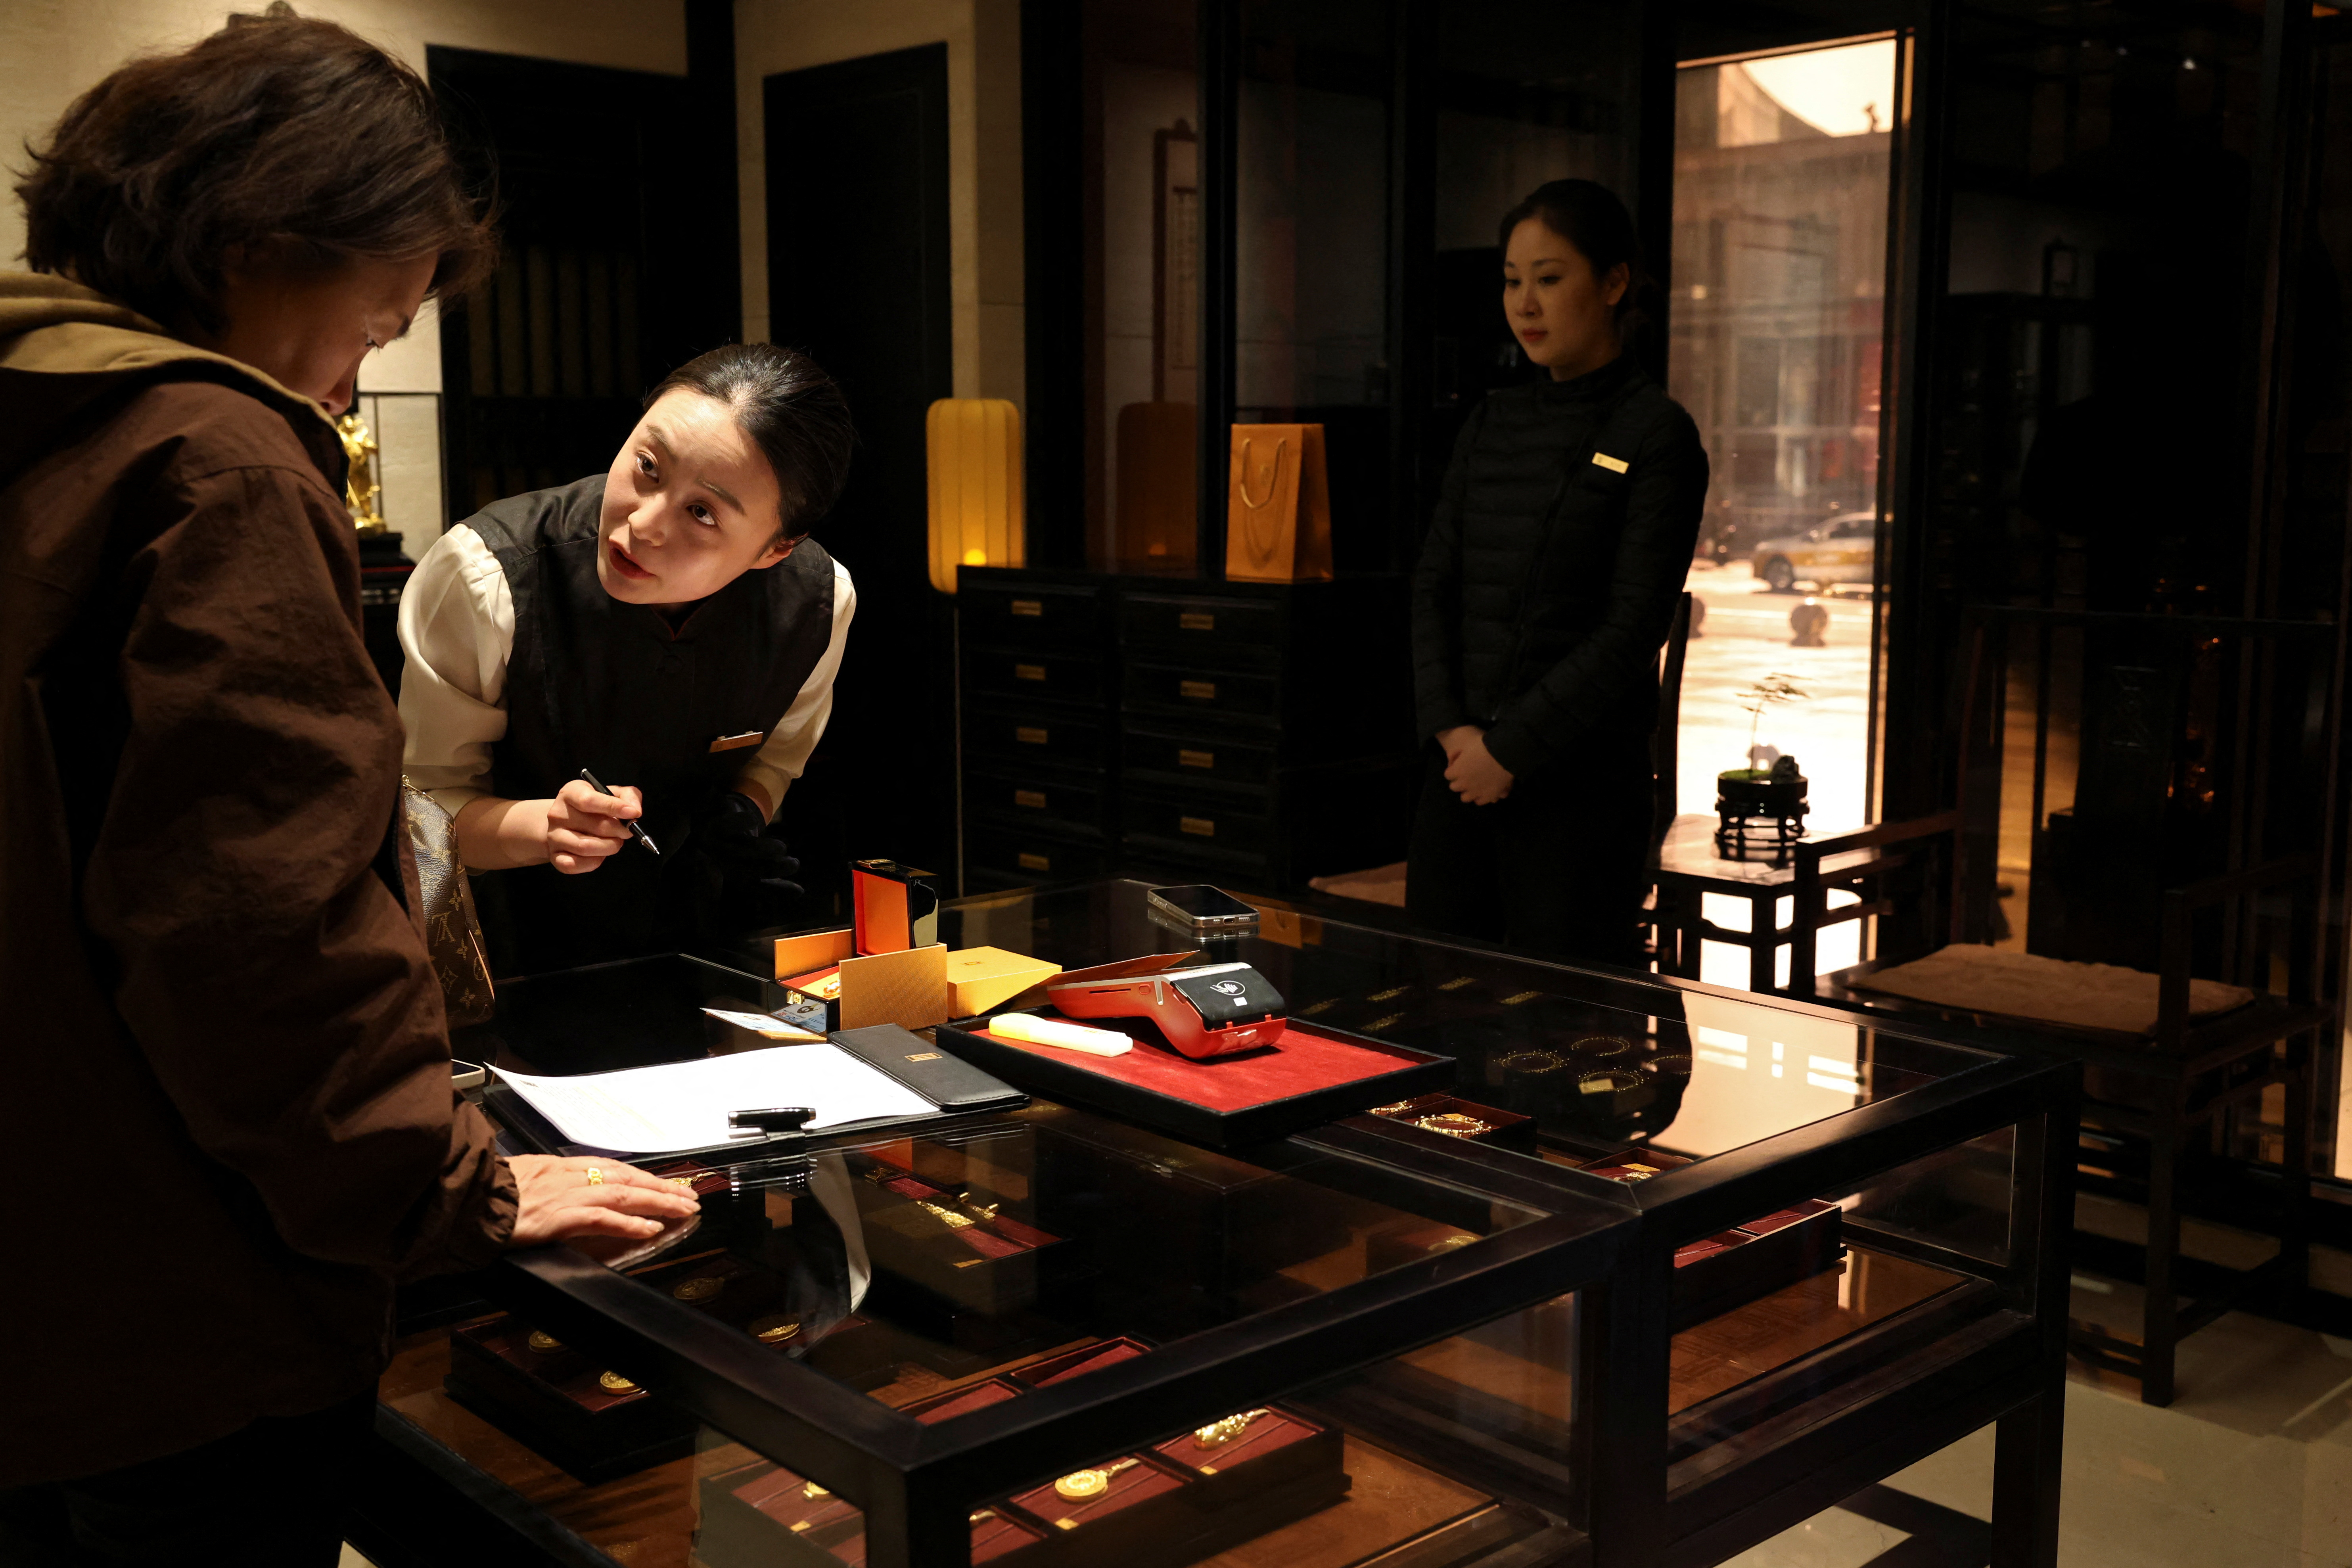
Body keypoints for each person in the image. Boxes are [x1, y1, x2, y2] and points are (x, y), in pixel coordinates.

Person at [0, 13, 697, 1564]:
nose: (354, 377)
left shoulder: (38, 419)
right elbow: (261, 931)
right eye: (375, 327)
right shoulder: (222, 466)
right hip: (178, 1300)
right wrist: (458, 1190)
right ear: (267, 243)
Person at [397, 342, 855, 978]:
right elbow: (422, 810)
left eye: (702, 513)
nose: (644, 523)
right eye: (648, 467)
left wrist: (743, 812)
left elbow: (775, 760)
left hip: (708, 948)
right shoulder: (486, 576)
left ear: (774, 550)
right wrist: (548, 826)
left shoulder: (816, 599)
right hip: (513, 953)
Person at [1407, 179, 1711, 966]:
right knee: (1434, 995)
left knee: (1562, 1017)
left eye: (1548, 278)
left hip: (1580, 786)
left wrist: (1510, 750)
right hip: (1460, 771)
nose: (1525, 303)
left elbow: (1633, 624)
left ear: (1613, 284)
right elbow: (1433, 586)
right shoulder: (1490, 421)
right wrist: (1454, 732)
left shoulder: (1656, 434)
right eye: (1512, 281)